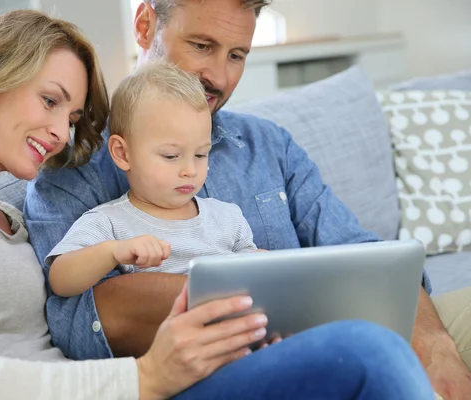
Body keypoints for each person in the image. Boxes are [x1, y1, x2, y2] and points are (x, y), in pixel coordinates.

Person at [0, 8, 435, 400]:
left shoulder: (10, 222)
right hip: (137, 386)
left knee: (370, 350)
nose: (61, 134)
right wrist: (145, 379)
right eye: (49, 100)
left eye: (69, 117)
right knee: (364, 350)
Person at [23, 0, 471, 398]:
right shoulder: (76, 162)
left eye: (236, 55)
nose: (218, 75)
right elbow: (77, 317)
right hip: (257, 358)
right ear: (144, 26)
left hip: (336, 326)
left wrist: (434, 347)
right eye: (201, 45)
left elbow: (365, 254)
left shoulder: (268, 144)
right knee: (371, 351)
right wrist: (274, 309)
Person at [46, 61, 259, 298]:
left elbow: (256, 271)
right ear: (122, 153)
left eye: (200, 154)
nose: (190, 170)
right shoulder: (109, 223)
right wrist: (113, 252)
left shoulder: (228, 217)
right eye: (171, 156)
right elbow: (60, 280)